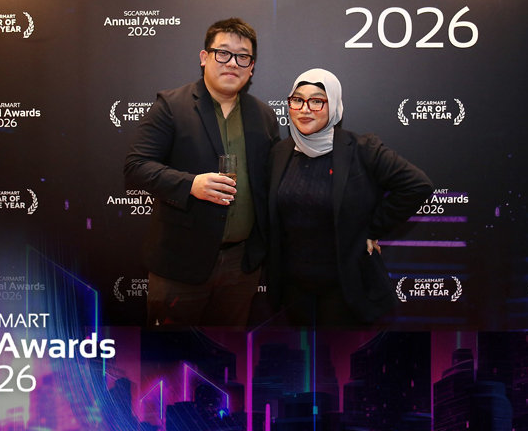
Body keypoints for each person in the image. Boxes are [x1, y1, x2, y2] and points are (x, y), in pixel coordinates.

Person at [124, 18, 280, 328]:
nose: (232, 63)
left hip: (241, 266)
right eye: (223, 53)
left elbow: (274, 182)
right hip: (180, 263)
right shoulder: (171, 106)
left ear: (251, 67)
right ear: (204, 57)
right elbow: (136, 167)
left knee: (227, 353)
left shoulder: (264, 115)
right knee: (171, 354)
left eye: (243, 57)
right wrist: (190, 184)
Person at [266, 68, 434, 326]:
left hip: (344, 287)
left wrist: (372, 229)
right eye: (297, 100)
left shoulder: (362, 149)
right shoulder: (280, 151)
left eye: (317, 101)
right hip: (293, 287)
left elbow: (417, 185)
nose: (305, 109)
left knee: (338, 349)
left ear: (333, 105)